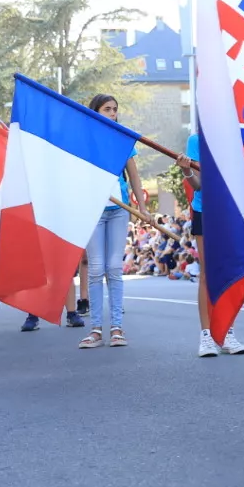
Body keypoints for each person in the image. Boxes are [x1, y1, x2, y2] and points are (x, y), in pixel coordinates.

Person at [78, 95, 143, 349]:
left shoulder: (123, 139)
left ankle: (117, 328)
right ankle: (95, 330)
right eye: (107, 109)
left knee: (114, 268)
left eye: (115, 110)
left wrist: (144, 207)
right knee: (95, 269)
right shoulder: (85, 141)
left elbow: (135, 178)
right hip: (93, 209)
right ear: (96, 112)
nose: (112, 113)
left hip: (119, 209)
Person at [178, 132, 244, 358]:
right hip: (205, 210)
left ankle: (227, 331)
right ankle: (207, 336)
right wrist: (186, 170)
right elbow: (198, 185)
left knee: (229, 272)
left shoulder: (235, 134)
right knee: (207, 274)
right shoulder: (196, 139)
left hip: (231, 209)